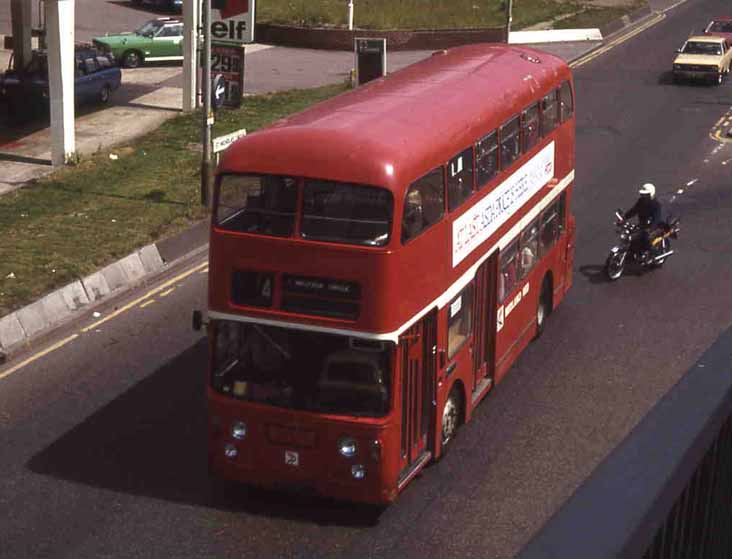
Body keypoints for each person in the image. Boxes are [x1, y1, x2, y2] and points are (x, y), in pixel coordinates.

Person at [623, 183, 663, 260]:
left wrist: (650, 228)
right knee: (632, 236)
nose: (643, 196)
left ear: (650, 194)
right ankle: (634, 252)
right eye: (642, 194)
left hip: (654, 227)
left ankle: (653, 254)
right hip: (643, 225)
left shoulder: (655, 204)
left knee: (645, 238)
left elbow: (656, 218)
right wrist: (624, 217)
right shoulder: (641, 201)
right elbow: (634, 210)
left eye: (645, 194)